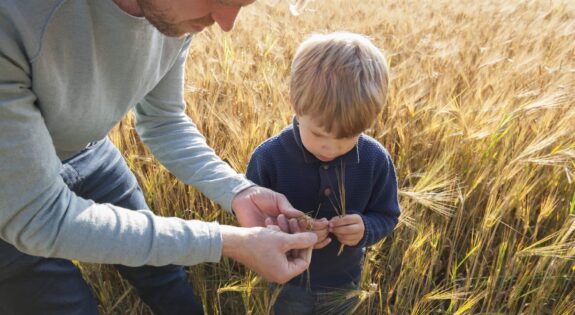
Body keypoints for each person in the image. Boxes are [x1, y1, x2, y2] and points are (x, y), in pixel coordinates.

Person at [0, 0, 326, 314]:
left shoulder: (175, 18)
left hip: (91, 152)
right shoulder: (14, 19)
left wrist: (238, 191)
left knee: (165, 276)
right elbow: (38, 216)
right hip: (13, 201)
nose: (227, 23)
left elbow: (163, 120)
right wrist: (230, 243)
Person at [246, 32, 401, 314]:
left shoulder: (375, 160)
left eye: (347, 137)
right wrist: (291, 234)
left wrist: (366, 228)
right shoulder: (269, 158)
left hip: (344, 283)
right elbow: (252, 222)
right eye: (318, 134)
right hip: (286, 281)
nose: (330, 147)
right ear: (294, 103)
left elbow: (388, 215)